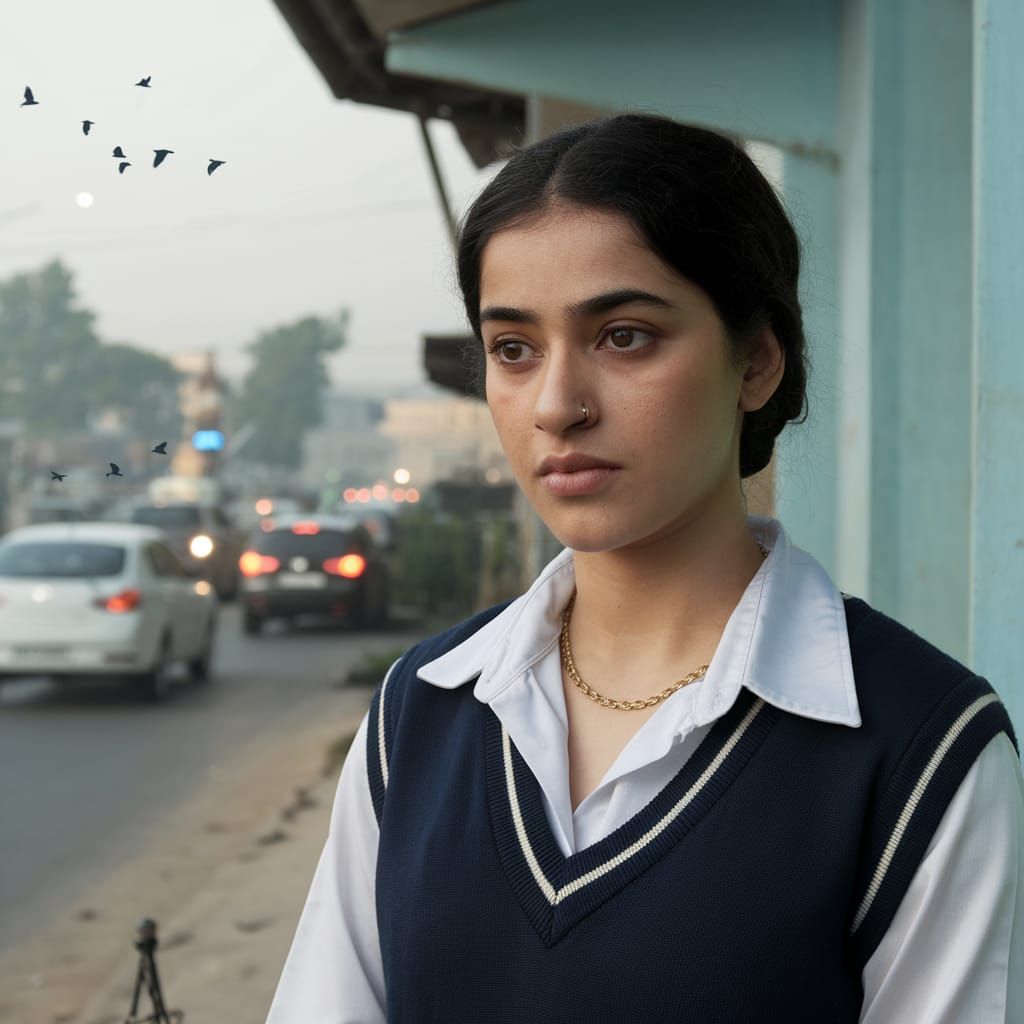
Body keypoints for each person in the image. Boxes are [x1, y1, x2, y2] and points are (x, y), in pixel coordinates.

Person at [265, 112, 1024, 1022]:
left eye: (623, 336)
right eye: (513, 349)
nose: (556, 406)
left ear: (757, 361)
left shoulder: (921, 754)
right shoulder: (418, 717)